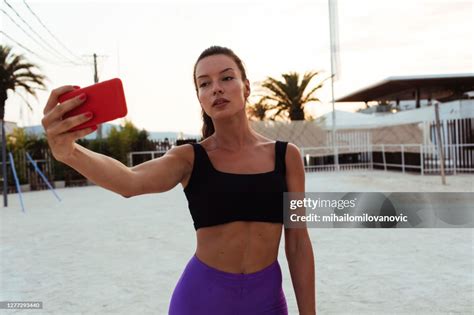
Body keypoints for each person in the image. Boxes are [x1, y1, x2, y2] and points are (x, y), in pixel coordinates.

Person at [41, 46, 315, 314]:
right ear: (199, 97)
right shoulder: (190, 158)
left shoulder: (286, 157)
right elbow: (129, 181)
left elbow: (298, 243)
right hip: (201, 302)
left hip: (266, 304)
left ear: (246, 86)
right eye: (204, 84)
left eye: (227, 78)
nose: (216, 88)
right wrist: (70, 153)